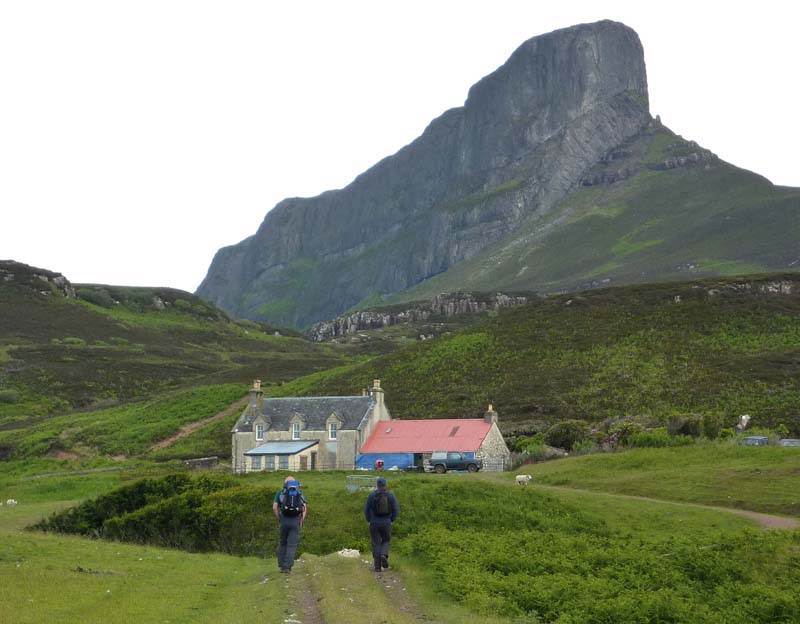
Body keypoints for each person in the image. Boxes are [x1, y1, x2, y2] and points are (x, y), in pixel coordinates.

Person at [272, 475, 307, 574]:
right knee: (292, 545)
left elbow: (274, 508)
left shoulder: (280, 493)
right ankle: (287, 567)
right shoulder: (299, 493)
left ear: (285, 484)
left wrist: (279, 518)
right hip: (295, 521)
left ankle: (282, 565)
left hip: (284, 520)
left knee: (283, 542)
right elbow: (304, 508)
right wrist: (301, 521)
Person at [364, 476, 399, 572]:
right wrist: (391, 520)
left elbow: (366, 509)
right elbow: (396, 509)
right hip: (386, 521)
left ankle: (377, 567)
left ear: (377, 485)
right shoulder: (391, 495)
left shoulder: (372, 495)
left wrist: (368, 520)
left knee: (376, 543)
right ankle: (383, 554)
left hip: (374, 522)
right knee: (386, 540)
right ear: (385, 485)